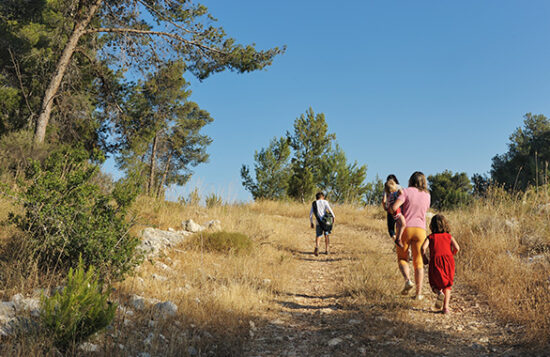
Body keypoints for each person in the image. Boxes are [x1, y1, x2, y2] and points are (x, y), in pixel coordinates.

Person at [390, 171, 431, 299]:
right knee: (418, 262)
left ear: (411, 180)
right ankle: (418, 294)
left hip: (406, 228)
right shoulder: (427, 195)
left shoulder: (406, 192)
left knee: (403, 258)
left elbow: (394, 207)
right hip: (421, 230)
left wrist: (396, 213)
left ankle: (408, 280)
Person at [422, 214, 460, 314]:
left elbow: (422, 248)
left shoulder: (431, 237)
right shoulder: (449, 236)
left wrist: (424, 257)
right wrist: (452, 254)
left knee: (434, 283)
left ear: (432, 226)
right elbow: (457, 248)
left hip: (435, 262)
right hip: (448, 261)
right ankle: (446, 308)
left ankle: (439, 292)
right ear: (445, 225)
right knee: (447, 285)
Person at [310, 192, 335, 256]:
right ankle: (327, 250)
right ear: (322, 197)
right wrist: (333, 217)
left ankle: (317, 247)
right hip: (325, 222)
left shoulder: (314, 203)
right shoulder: (325, 202)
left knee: (318, 235)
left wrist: (311, 222)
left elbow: (311, 214)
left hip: (318, 222)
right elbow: (330, 210)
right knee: (326, 235)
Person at [384, 179, 405, 248]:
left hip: (391, 213)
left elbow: (386, 205)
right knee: (403, 224)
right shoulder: (394, 194)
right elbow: (401, 192)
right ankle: (398, 239)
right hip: (397, 211)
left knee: (394, 227)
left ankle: (397, 238)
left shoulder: (389, 196)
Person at [382, 174, 401, 240]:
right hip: (399, 209)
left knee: (391, 229)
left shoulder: (386, 188)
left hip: (390, 210)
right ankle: (401, 241)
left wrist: (385, 208)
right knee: (400, 226)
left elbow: (384, 200)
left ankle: (396, 242)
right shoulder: (399, 187)